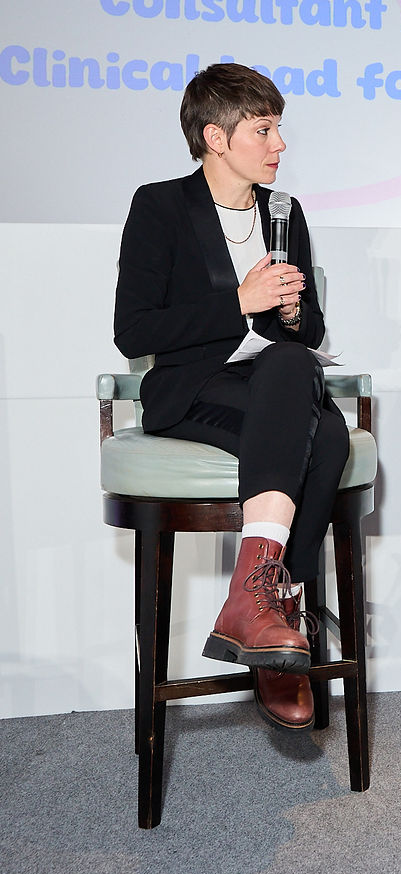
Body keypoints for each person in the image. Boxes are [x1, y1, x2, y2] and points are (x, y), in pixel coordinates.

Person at [114, 63, 350, 732]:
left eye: (279, 128)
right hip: (193, 390)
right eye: (263, 130)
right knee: (326, 435)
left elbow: (308, 331)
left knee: (293, 365)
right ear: (216, 138)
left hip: (271, 384)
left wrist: (294, 314)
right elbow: (134, 330)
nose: (280, 144)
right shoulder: (160, 206)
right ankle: (275, 619)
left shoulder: (285, 213)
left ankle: (259, 611)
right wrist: (239, 302)